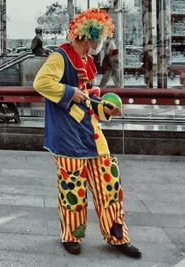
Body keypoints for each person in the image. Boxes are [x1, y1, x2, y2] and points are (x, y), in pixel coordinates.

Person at [33, 9, 141, 258]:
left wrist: (106, 110)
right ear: (85, 35)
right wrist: (71, 92)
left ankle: (117, 236)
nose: (97, 45)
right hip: (68, 139)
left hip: (92, 137)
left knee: (109, 187)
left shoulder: (85, 61)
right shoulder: (61, 57)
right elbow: (41, 83)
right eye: (96, 39)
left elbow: (89, 100)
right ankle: (71, 236)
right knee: (73, 190)